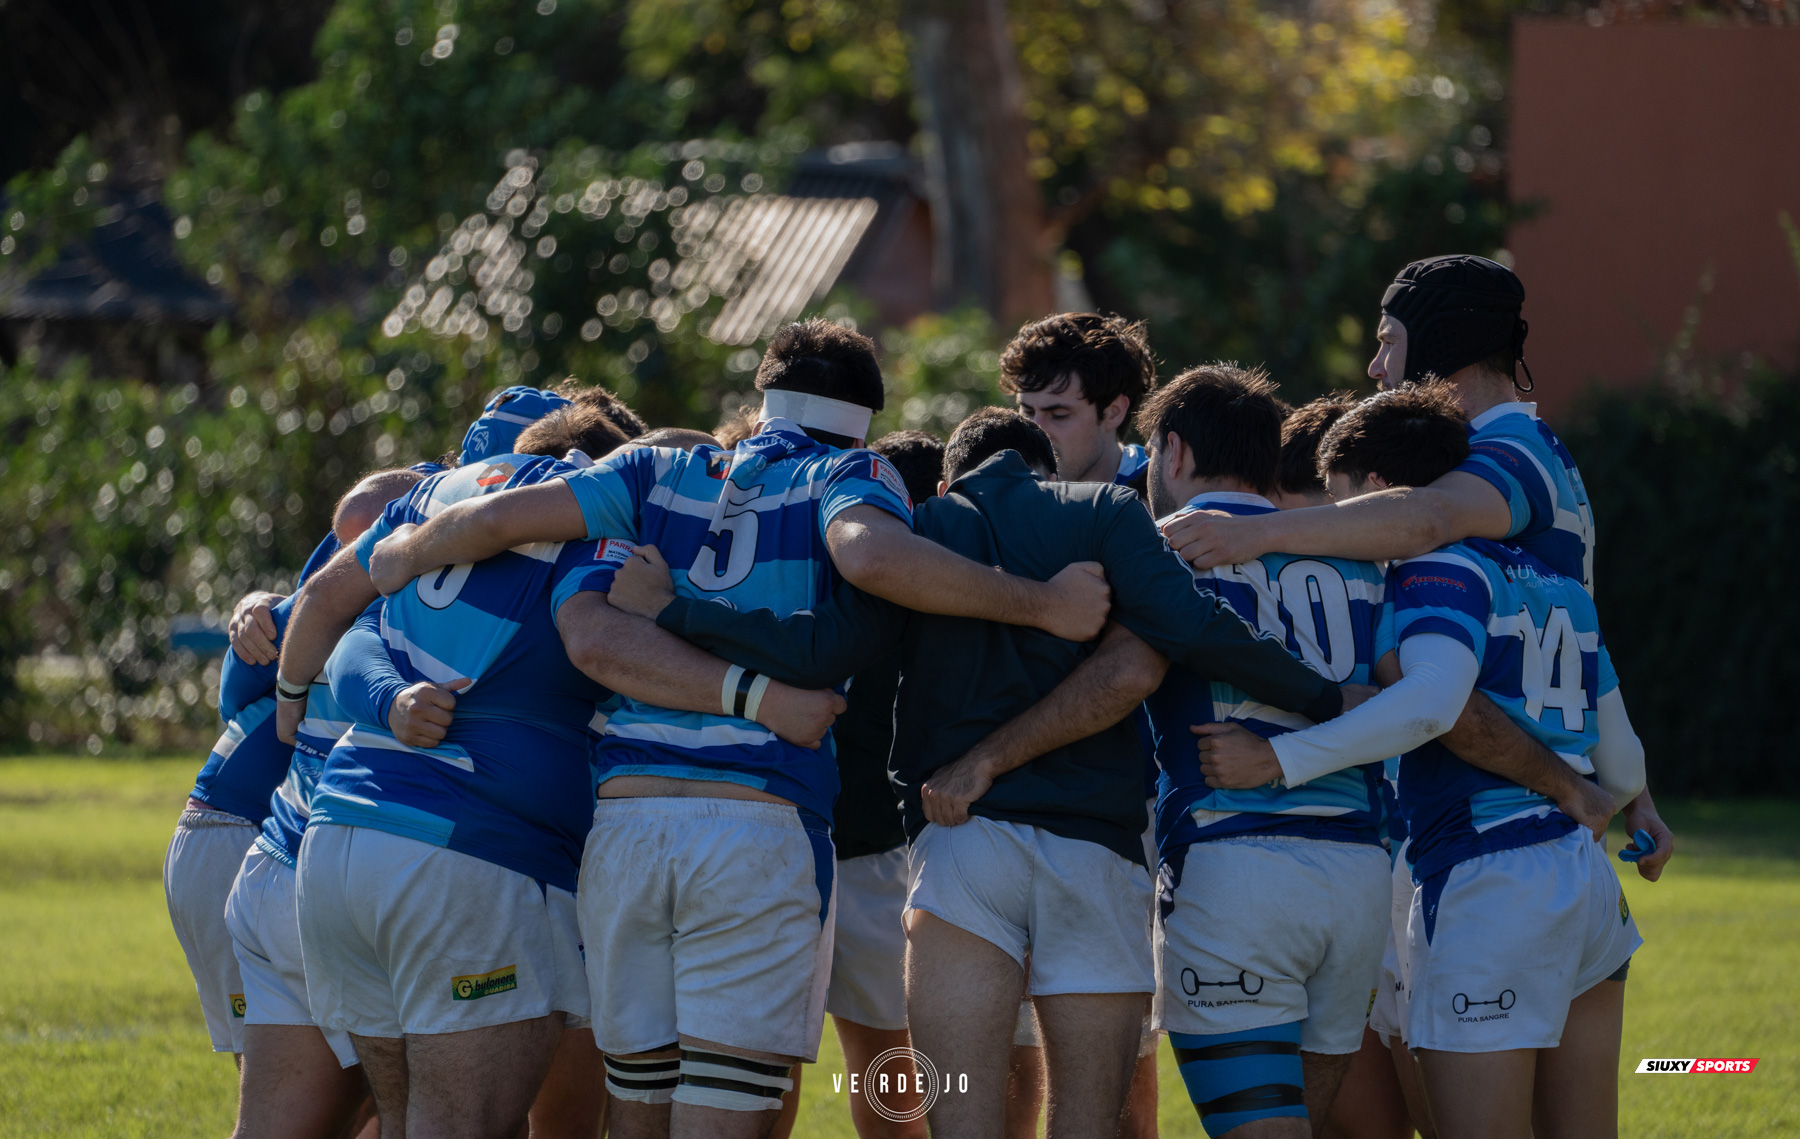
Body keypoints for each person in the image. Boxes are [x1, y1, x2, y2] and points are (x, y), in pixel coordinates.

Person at [361, 321, 1113, 1139]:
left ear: (764, 394)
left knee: (639, 1114)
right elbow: (871, 558)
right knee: (728, 1113)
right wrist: (1042, 605)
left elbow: (508, 515)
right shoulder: (850, 471)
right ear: (865, 412)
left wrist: (407, 549)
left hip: (627, 826)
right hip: (753, 825)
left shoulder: (660, 464)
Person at [606, 406, 1363, 1138]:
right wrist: (1328, 697)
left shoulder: (924, 533)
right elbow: (1189, 627)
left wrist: (676, 611)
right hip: (1095, 849)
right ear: (1048, 468)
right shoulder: (1102, 508)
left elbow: (817, 650)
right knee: (1090, 1123)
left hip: (959, 842)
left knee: (961, 1118)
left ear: (944, 481)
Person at [1197, 383, 1649, 1139]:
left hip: (1489, 877)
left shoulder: (1437, 569)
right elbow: (1627, 764)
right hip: (1587, 882)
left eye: (1339, 504)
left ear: (1377, 491)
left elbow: (1430, 706)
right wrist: (1583, 794)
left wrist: (1279, 758)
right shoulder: (1563, 586)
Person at [1158, 255, 1675, 880]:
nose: (1375, 367)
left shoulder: (1510, 451)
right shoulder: (1531, 452)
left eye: (1387, 342)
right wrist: (1625, 787)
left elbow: (1427, 524)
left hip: (1490, 832)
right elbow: (1572, 642)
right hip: (1539, 824)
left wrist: (1252, 533)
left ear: (1441, 341)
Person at [268, 403, 645, 1139]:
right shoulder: (599, 512)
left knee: (405, 1123)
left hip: (339, 837)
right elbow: (605, 645)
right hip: (468, 855)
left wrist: (301, 703)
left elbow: (333, 607)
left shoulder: (434, 496)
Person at [1135, 366, 1392, 1139]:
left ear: (1172, 450)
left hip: (1236, 866)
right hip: (1358, 876)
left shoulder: (1163, 547)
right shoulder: (1359, 558)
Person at [163, 464, 430, 1088]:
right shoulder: (362, 583)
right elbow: (242, 683)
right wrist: (253, 612)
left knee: (328, 1089)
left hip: (237, 837)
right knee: (334, 1085)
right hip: (249, 837)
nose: (351, 553)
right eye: (342, 542)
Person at [823, 429, 943, 1139]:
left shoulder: (833, 572)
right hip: (879, 846)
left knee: (883, 1064)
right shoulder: (949, 581)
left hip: (865, 843)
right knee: (891, 1066)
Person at [1001, 312, 1156, 488]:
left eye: (1059, 415)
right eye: (1027, 412)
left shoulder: (1167, 495)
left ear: (1114, 412)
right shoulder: (999, 492)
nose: (1036, 430)